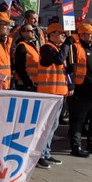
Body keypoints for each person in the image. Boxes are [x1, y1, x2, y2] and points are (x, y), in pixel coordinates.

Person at [35, 23, 72, 168]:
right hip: (48, 93)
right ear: (51, 35)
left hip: (58, 93)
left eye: (64, 33)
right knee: (46, 125)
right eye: (60, 33)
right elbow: (57, 59)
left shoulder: (57, 48)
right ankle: (39, 155)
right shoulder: (46, 48)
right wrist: (67, 45)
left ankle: (46, 152)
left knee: (53, 125)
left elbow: (61, 67)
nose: (63, 35)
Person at [69, 23, 92, 157]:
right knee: (78, 121)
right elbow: (70, 68)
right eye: (90, 34)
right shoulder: (75, 48)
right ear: (82, 35)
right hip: (82, 91)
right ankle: (76, 146)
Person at [12, 23, 40, 91]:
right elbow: (20, 67)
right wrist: (29, 83)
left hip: (34, 83)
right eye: (30, 31)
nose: (33, 32)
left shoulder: (31, 46)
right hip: (26, 85)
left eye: (33, 30)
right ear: (23, 33)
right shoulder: (21, 46)